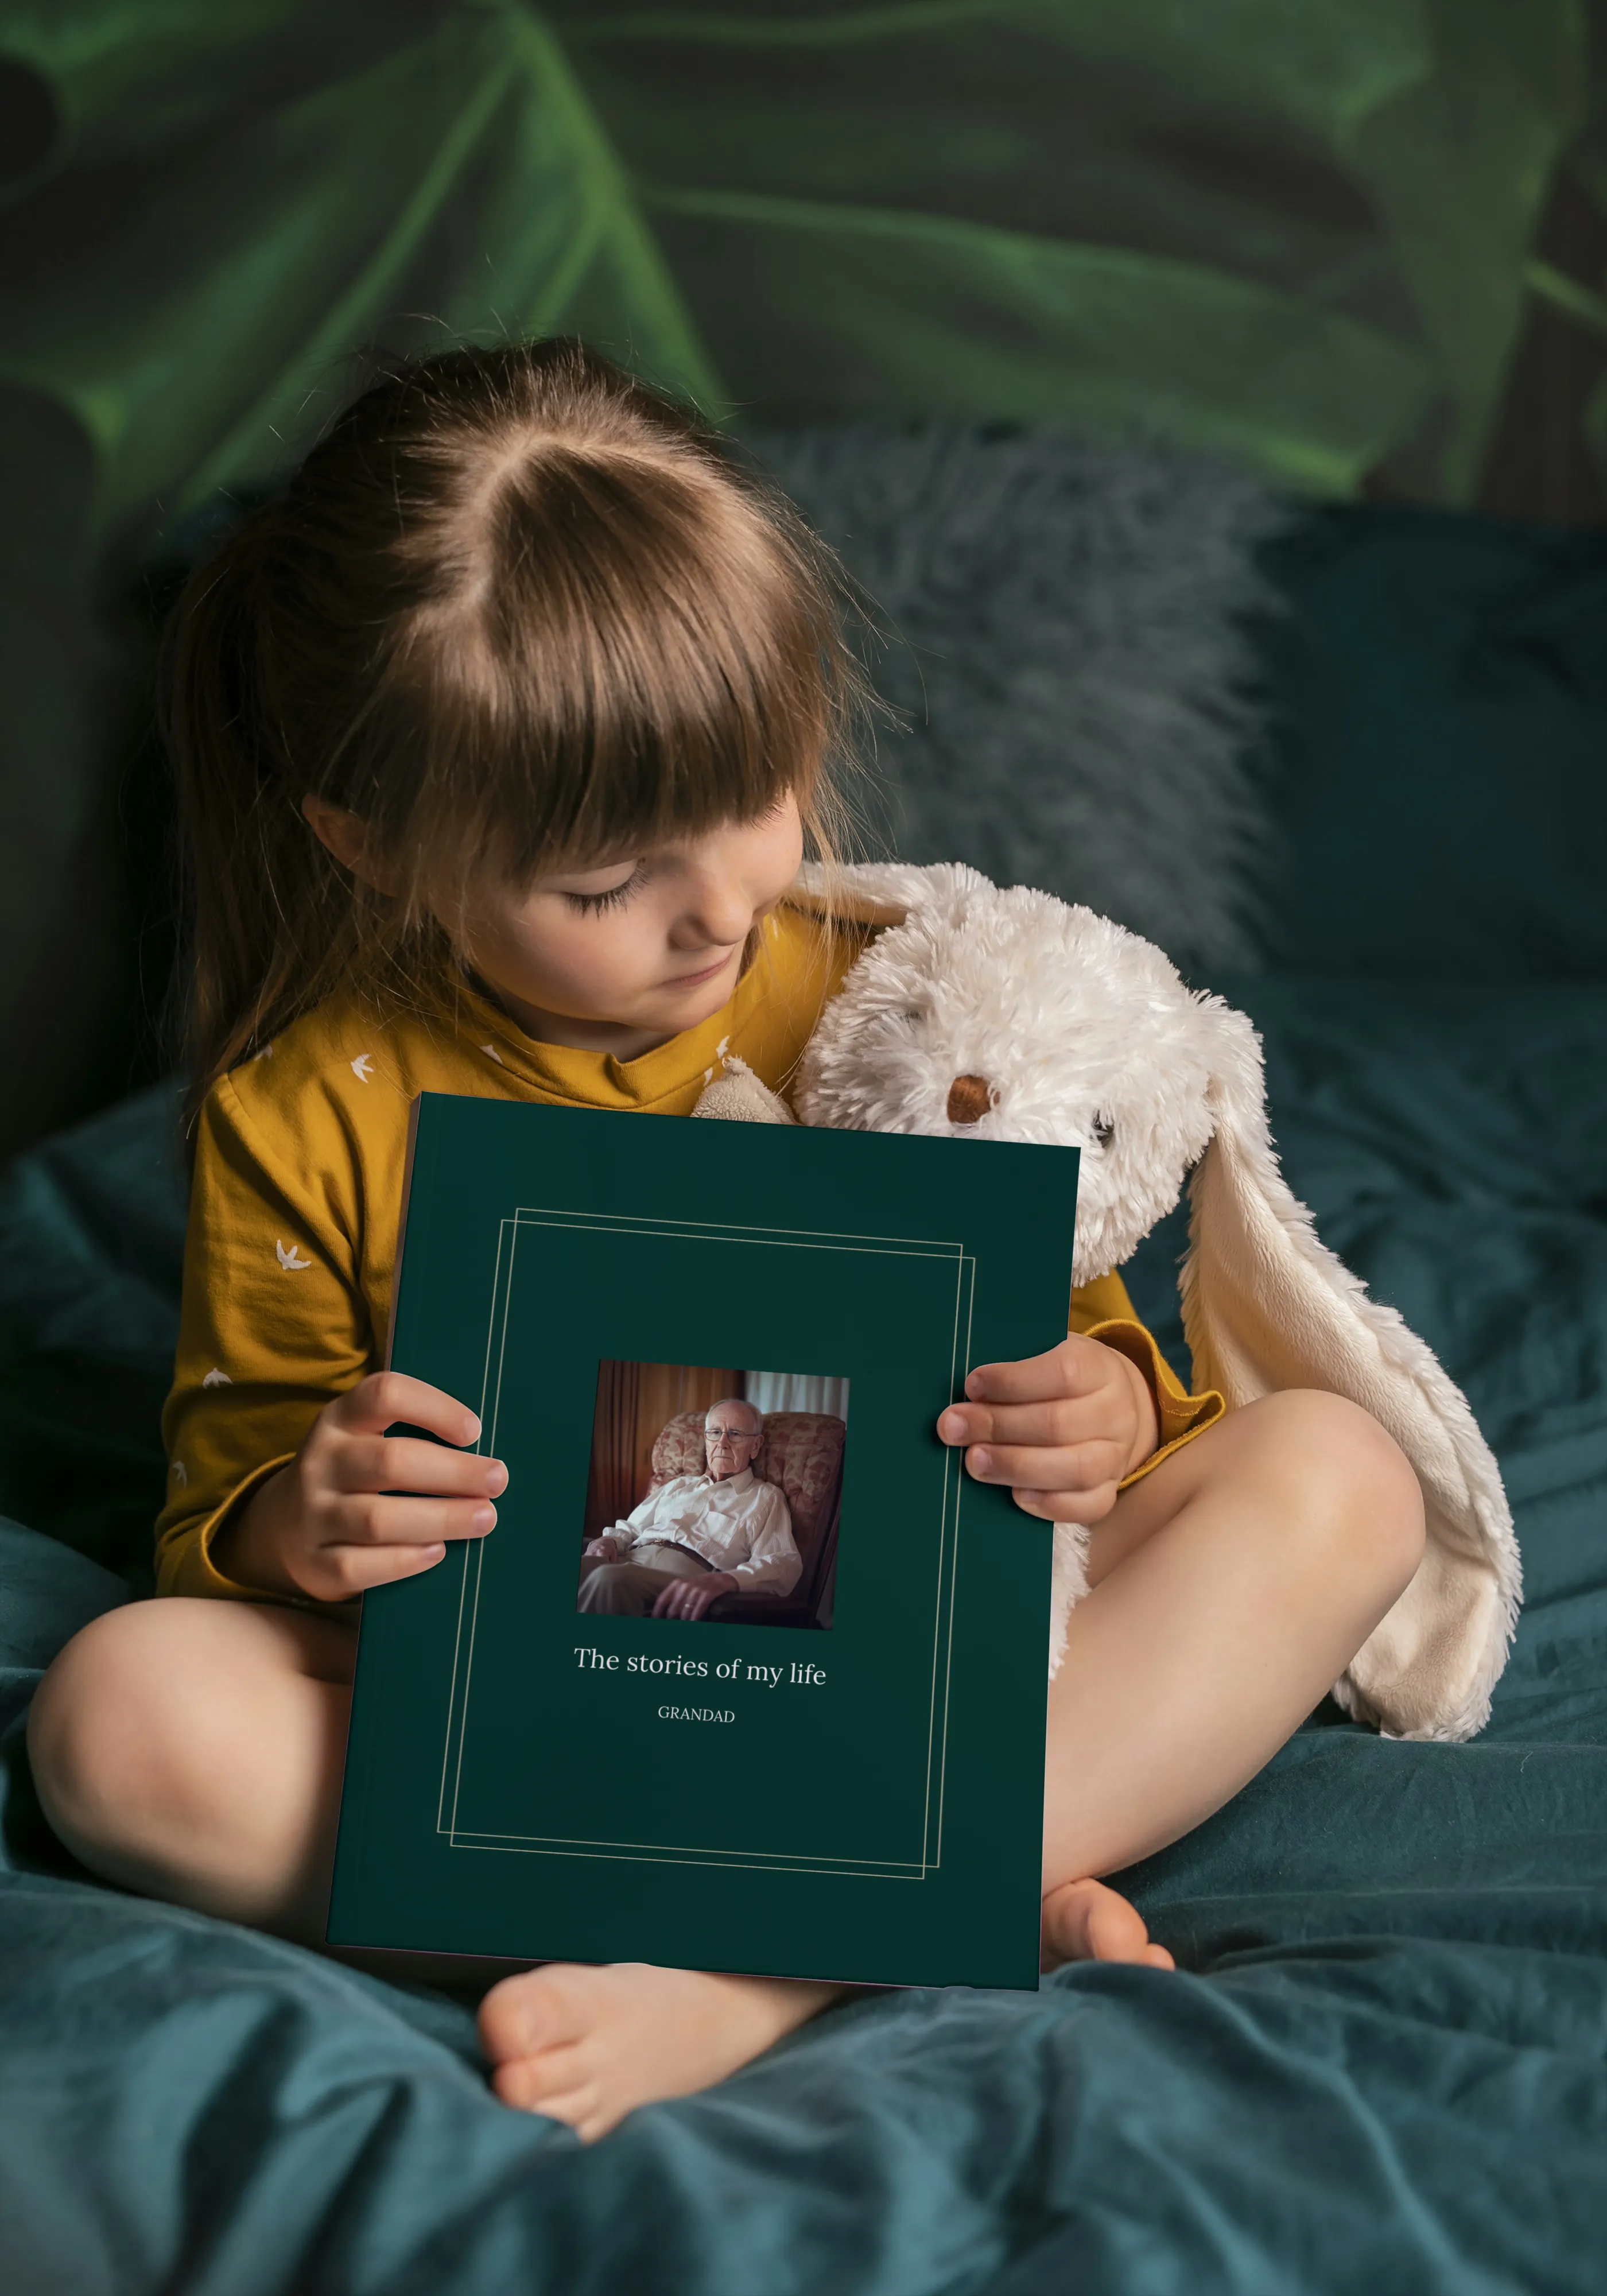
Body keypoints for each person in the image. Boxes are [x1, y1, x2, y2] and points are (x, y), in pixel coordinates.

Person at [25, 339, 1425, 2146]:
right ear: (374, 848)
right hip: (564, 1710)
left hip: (914, 1676)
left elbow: (1057, 1316)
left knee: (1338, 1473)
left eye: (758, 790)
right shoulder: (305, 1108)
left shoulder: (882, 988)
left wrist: (1099, 1407)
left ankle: (762, 1964)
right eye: (604, 884)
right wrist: (311, 1505)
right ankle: (952, 1888)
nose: (716, 906)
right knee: (118, 1720)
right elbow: (225, 1506)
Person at [579, 1399, 801, 1620]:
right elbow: (631, 1528)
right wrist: (608, 1541)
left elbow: (783, 1562)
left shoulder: (765, 1497)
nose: (722, 1443)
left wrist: (729, 1580)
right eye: (714, 1432)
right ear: (706, 1439)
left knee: (609, 1578)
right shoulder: (679, 1485)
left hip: (682, 1577)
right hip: (629, 1558)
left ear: (755, 1446)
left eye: (735, 1434)